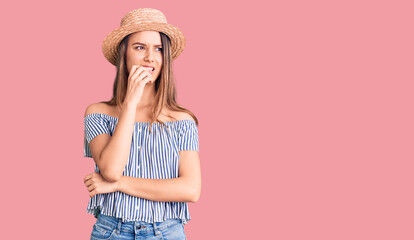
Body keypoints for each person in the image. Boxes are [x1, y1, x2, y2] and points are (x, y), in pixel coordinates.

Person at [82, 8, 200, 240]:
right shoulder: (98, 114)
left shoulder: (182, 120)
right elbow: (111, 169)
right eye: (139, 47)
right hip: (111, 231)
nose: (150, 57)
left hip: (166, 232)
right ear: (123, 54)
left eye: (158, 49)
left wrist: (117, 185)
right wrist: (130, 104)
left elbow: (190, 189)